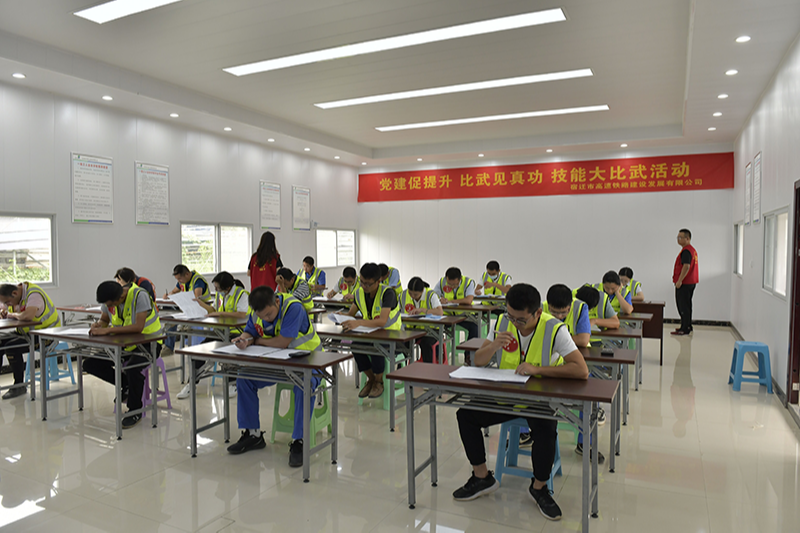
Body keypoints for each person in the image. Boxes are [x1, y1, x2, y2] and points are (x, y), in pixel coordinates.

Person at [452, 283, 588, 521]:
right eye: (511, 316)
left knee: (546, 428)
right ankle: (482, 477)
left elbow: (581, 369)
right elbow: (479, 361)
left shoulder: (554, 328)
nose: (515, 323)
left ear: (537, 312)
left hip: (539, 397)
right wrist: (494, 345)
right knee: (466, 414)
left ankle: (539, 487)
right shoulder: (502, 323)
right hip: (507, 395)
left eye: (521, 320)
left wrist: (538, 369)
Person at [227, 286, 322, 467]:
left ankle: (299, 441)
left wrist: (256, 341)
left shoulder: (293, 307)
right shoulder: (256, 312)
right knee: (244, 377)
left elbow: (282, 342)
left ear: (276, 302)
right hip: (279, 364)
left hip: (310, 362)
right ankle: (253, 434)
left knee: (304, 384)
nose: (266, 319)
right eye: (262, 316)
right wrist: (244, 339)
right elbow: (250, 331)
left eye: (269, 315)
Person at [83, 280, 163, 429]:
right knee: (90, 364)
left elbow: (138, 327)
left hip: (149, 343)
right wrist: (99, 325)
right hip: (124, 344)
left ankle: (135, 410)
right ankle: (126, 384)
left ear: (119, 298)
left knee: (132, 368)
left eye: (110, 305)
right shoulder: (110, 298)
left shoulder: (140, 296)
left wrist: (107, 330)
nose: (108, 307)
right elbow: (104, 319)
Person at [546, 284, 606, 456]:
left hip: (575, 362)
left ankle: (584, 443)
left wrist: (557, 339)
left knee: (589, 391)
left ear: (570, 306)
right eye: (554, 312)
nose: (559, 316)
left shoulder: (580, 308)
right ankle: (524, 434)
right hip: (549, 364)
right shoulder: (540, 309)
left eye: (563, 313)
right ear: (548, 305)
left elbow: (583, 339)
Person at [175, 272, 248, 400]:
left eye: (218, 288)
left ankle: (232, 383)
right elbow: (213, 310)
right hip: (220, 332)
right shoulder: (221, 294)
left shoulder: (242, 295)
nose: (216, 290)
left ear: (227, 287)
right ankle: (191, 383)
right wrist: (200, 304)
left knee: (230, 353)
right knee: (199, 352)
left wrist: (220, 314)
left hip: (237, 333)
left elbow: (242, 314)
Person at [340, 262, 401, 399]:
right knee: (355, 346)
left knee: (376, 345)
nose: (364, 286)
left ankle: (379, 381)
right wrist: (340, 316)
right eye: (362, 282)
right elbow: (351, 314)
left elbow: (382, 321)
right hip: (371, 333)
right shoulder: (359, 292)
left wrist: (359, 322)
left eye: (368, 284)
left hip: (393, 336)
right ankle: (371, 378)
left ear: (378, 281)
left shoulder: (388, 293)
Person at [0, 282, 61, 399]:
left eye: (7, 302)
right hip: (26, 333)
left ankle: (19, 385)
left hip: (47, 334)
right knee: (1, 341)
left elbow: (28, 316)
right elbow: (4, 309)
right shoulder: (13, 296)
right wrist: (3, 313)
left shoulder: (33, 295)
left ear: (14, 293)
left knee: (11, 348)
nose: (7, 305)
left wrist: (12, 315)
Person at [163, 264, 210, 355]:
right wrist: (168, 295)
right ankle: (168, 347)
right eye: (177, 279)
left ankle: (194, 348)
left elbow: (197, 297)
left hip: (202, 310)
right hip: (189, 310)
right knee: (170, 320)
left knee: (188, 326)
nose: (179, 281)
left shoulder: (198, 280)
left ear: (187, 274)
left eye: (179, 279)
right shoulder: (182, 281)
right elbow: (174, 291)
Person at [400, 277, 444, 363]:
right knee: (402, 343)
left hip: (431, 331)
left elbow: (440, 312)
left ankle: (427, 368)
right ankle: (403, 366)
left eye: (415, 294)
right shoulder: (403, 295)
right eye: (410, 293)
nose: (412, 296)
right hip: (411, 330)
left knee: (426, 344)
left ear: (422, 290)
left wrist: (423, 310)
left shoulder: (431, 295)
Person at [433, 267, 479, 340]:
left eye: (455, 284)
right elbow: (433, 297)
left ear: (460, 279)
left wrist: (451, 301)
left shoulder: (468, 282)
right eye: (449, 284)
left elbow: (468, 300)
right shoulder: (442, 281)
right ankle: (440, 346)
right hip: (447, 316)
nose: (452, 287)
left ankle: (470, 348)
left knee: (475, 328)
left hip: (465, 316)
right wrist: (440, 300)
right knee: (433, 327)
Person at [673, 228, 699, 336]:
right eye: (677, 237)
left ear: (687, 239)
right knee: (687, 305)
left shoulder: (687, 251)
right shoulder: (691, 250)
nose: (678, 239)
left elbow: (686, 266)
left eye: (680, 237)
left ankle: (684, 328)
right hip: (690, 282)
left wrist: (680, 280)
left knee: (683, 306)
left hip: (685, 283)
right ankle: (687, 325)